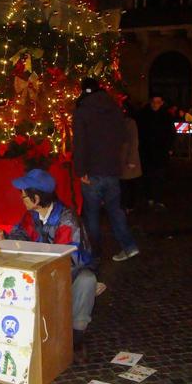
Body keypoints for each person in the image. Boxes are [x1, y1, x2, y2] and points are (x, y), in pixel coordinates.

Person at [0, 168, 97, 364]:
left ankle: (77, 338)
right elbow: (21, 235)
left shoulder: (67, 219)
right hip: (42, 270)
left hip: (70, 272)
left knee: (87, 281)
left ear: (36, 198)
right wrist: (3, 238)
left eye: (24, 195)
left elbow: (66, 258)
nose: (22, 197)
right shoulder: (32, 215)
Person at [73, 77, 139, 264]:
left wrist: (80, 169)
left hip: (92, 170)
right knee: (115, 210)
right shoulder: (114, 109)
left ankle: (95, 253)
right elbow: (122, 137)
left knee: (92, 214)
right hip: (111, 168)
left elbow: (80, 143)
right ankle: (129, 246)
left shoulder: (82, 111)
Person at [137, 92, 176, 209]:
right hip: (146, 150)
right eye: (154, 102)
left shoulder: (166, 116)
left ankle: (158, 198)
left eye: (158, 102)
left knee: (160, 175)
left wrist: (170, 147)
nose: (155, 105)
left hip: (161, 151)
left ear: (162, 103)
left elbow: (171, 133)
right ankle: (149, 197)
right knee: (148, 175)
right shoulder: (143, 114)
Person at [120, 100, 142, 212]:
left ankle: (129, 206)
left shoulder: (130, 123)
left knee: (128, 183)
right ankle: (126, 205)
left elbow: (134, 141)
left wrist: (132, 159)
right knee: (124, 183)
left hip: (127, 157)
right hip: (120, 158)